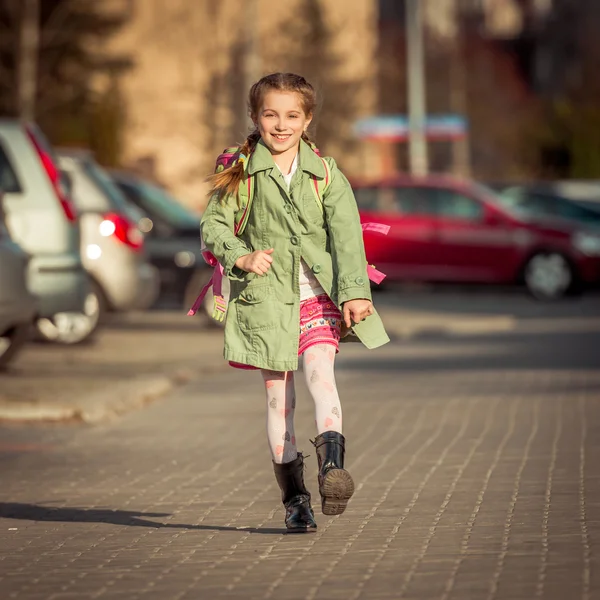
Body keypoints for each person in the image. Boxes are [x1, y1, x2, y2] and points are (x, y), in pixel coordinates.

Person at [200, 72, 389, 532]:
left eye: (291, 115)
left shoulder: (325, 173)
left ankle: (331, 471)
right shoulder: (239, 172)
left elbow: (346, 236)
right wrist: (240, 255)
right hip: (265, 304)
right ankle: (295, 499)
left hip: (315, 297)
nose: (280, 125)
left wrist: (356, 294)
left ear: (307, 121)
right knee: (278, 403)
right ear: (255, 117)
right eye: (271, 115)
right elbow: (213, 227)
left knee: (321, 375)